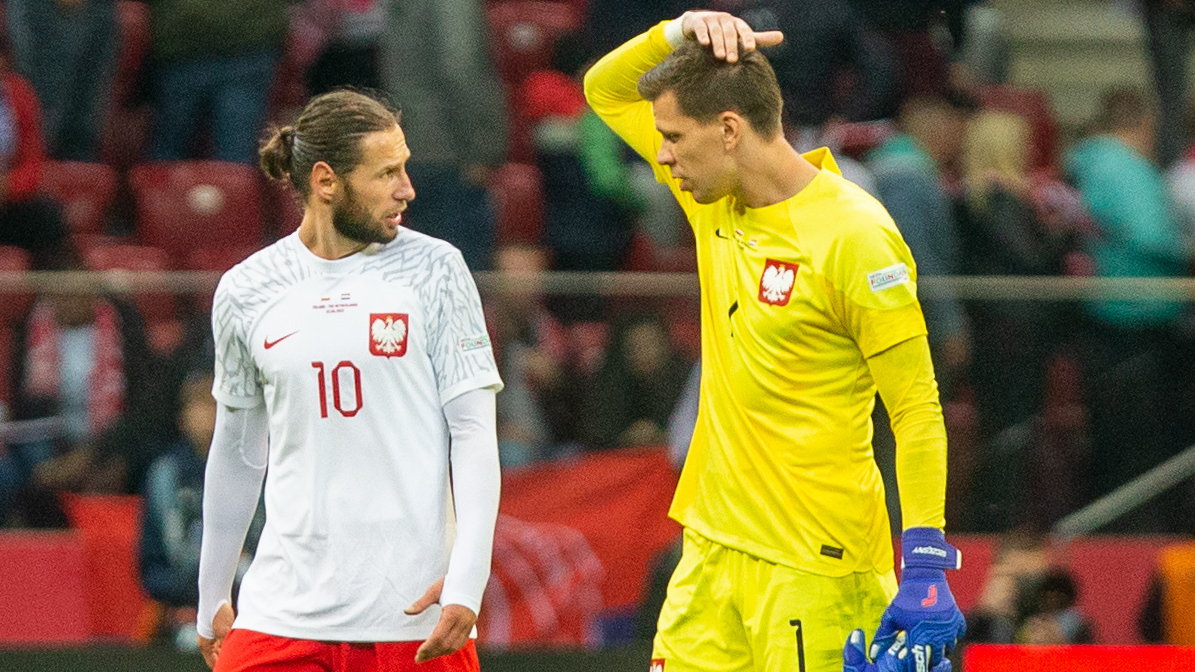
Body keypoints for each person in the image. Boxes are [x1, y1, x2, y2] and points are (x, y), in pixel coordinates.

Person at [584, 11, 963, 672]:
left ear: (728, 129)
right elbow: (603, 89)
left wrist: (925, 552)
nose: (661, 155)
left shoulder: (854, 236)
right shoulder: (709, 198)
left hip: (814, 568)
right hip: (708, 555)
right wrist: (678, 29)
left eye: (672, 137)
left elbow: (915, 408)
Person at [196, 89, 503, 671]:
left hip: (410, 621)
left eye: (405, 167)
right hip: (280, 614)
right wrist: (212, 592)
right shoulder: (245, 290)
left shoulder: (437, 269)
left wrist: (467, 578)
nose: (407, 188)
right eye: (387, 172)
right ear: (326, 181)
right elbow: (237, 451)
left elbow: (473, 433)